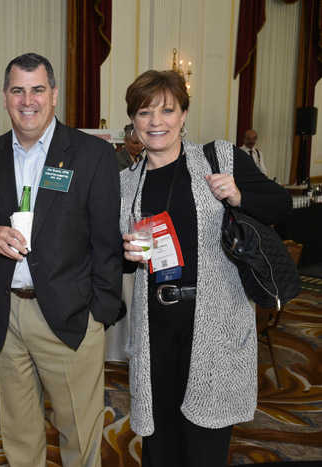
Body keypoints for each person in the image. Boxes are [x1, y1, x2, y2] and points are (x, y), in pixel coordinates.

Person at [120, 70, 292, 466]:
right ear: (134, 121)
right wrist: (125, 252)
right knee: (159, 443)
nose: (156, 121)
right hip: (155, 329)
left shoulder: (220, 159)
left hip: (216, 326)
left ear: (183, 115)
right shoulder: (127, 183)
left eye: (167, 110)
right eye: (145, 113)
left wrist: (239, 195)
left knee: (204, 445)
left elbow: (281, 207)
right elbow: (119, 256)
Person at [0, 52, 123, 467]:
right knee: (19, 431)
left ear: (54, 95)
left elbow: (106, 241)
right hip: (7, 313)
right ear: (5, 98)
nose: (27, 100)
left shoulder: (92, 155)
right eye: (18, 90)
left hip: (71, 315)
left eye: (37, 90)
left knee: (79, 432)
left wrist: (99, 314)